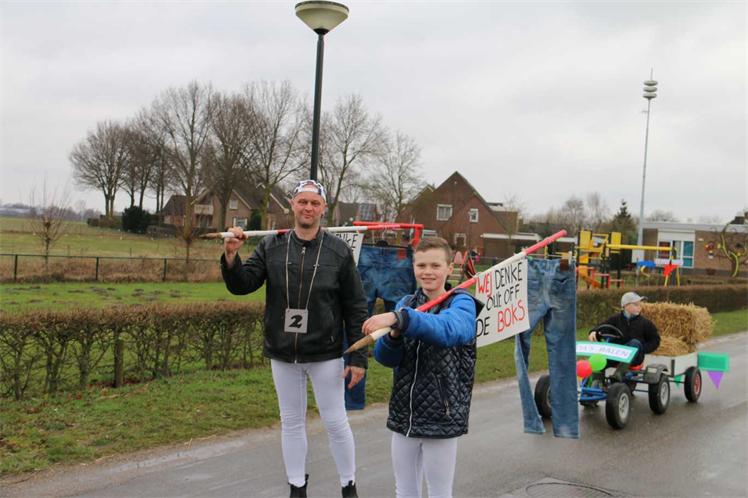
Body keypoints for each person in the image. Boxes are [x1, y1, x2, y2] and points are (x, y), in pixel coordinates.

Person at [221, 179, 367, 498]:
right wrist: (232, 257)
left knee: (335, 421)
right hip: (283, 351)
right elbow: (243, 284)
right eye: (302, 201)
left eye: (314, 203)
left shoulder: (338, 251)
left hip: (325, 352)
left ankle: (348, 485)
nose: (308, 208)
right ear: (292, 205)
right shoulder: (271, 246)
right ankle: (297, 487)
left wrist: (357, 357)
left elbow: (356, 306)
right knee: (291, 422)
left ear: (323, 208)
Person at [361, 237, 479, 498]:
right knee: (404, 490)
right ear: (413, 267)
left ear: (450, 268)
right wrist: (393, 336)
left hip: (441, 416)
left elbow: (449, 331)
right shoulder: (406, 303)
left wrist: (401, 319)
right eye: (421, 265)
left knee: (439, 492)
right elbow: (387, 358)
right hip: (405, 414)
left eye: (435, 265)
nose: (428, 272)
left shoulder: (462, 303)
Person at [588, 291, 661, 379]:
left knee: (635, 343)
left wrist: (642, 349)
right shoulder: (615, 319)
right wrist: (594, 331)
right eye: (636, 304)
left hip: (635, 357)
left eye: (640, 304)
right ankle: (594, 380)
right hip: (616, 354)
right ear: (626, 306)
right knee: (600, 358)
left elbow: (655, 340)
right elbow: (602, 327)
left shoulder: (645, 323)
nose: (639, 307)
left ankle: (618, 375)